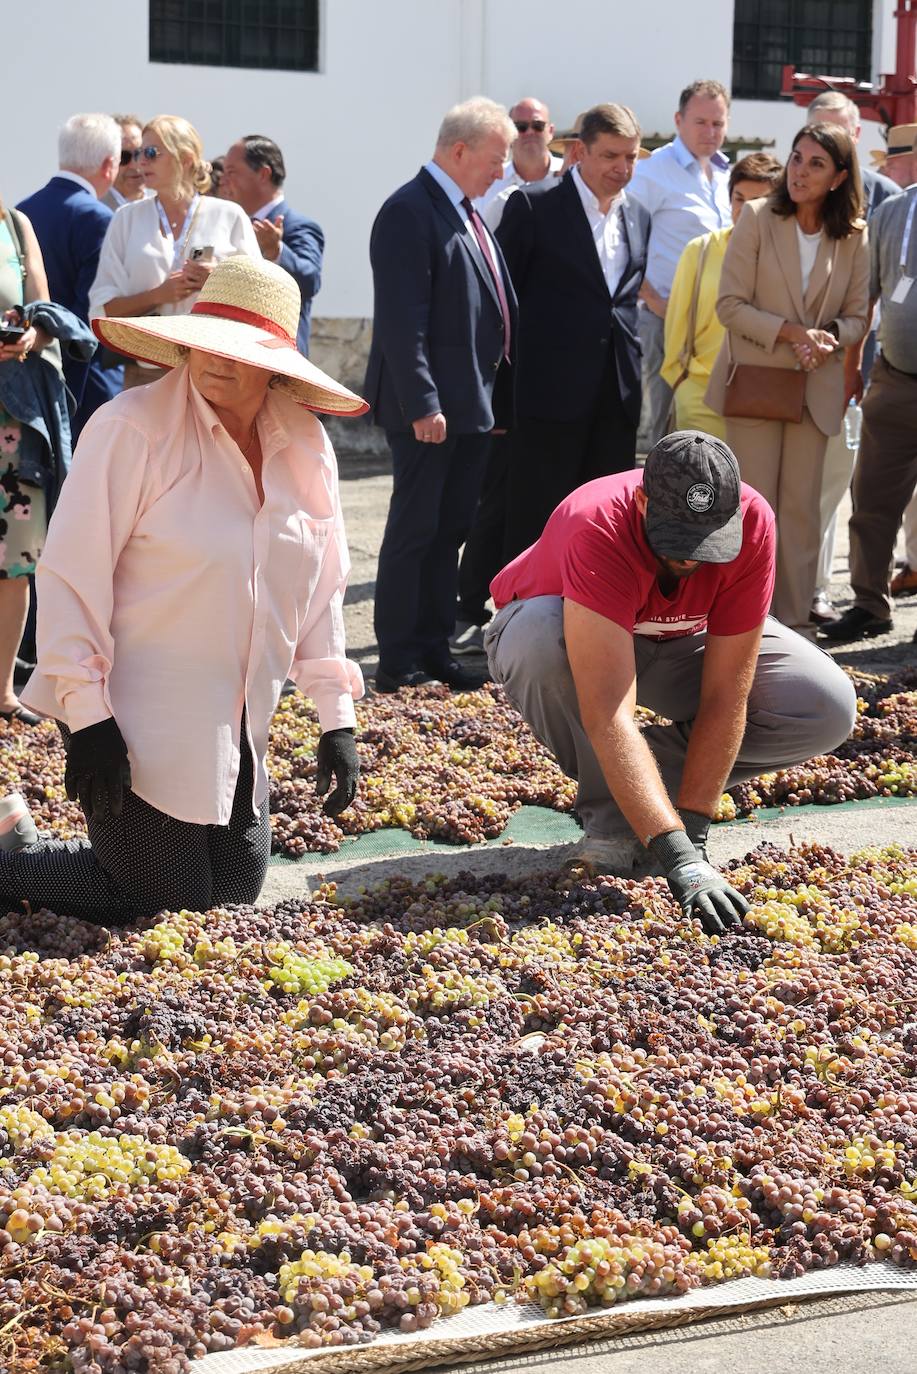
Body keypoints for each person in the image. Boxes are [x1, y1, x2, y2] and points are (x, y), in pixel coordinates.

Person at [7, 256, 366, 923]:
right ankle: (12, 863)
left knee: (231, 895)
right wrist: (88, 719)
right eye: (207, 344)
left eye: (239, 351)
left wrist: (335, 719)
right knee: (165, 897)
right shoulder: (129, 427)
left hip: (240, 728)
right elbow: (69, 577)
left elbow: (321, 587)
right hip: (133, 720)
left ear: (277, 365)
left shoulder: (307, 445)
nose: (217, 361)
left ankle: (28, 846)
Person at [484, 432, 856, 929]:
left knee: (823, 705)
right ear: (642, 501)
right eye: (677, 540)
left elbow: (727, 695)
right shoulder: (596, 521)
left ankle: (637, 795)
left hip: (682, 636)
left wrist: (694, 835)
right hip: (567, 633)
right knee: (536, 639)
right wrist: (674, 855)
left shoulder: (754, 521)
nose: (691, 559)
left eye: (707, 543)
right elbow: (610, 712)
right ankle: (613, 820)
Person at [366, 97, 517, 693]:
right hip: (429, 411)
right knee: (415, 529)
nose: (501, 171)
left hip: (468, 410)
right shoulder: (410, 210)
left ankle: (432, 647)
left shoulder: (463, 210)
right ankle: (399, 656)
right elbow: (405, 322)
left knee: (449, 530)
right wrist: (424, 403)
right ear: (460, 150)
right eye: (495, 158)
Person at [706, 123, 869, 638]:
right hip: (755, 383)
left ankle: (795, 626)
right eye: (797, 158)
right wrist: (793, 333)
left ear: (840, 176)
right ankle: (743, 624)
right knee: (754, 510)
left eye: (815, 163)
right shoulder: (756, 217)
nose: (799, 171)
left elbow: (858, 316)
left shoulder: (853, 235)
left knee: (800, 514)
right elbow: (729, 306)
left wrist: (828, 338)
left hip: (815, 388)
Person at [496, 102, 650, 563]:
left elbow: (620, 302)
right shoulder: (534, 207)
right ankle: (521, 622)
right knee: (536, 518)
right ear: (580, 152)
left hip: (616, 397)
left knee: (606, 520)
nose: (622, 169)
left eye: (631, 157)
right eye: (611, 156)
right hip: (547, 397)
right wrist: (503, 398)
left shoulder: (639, 216)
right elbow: (504, 304)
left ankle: (593, 618)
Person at [804, 92, 900, 627]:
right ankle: (808, 590)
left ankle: (819, 589)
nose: (824, 142)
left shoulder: (884, 198)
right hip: (801, 364)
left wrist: (857, 368)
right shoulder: (788, 200)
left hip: (859, 372)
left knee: (838, 487)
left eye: (836, 133)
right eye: (815, 133)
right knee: (810, 489)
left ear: (855, 138)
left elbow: (872, 298)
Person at [0, 198, 95, 731]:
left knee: (17, 557)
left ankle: (3, 690)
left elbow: (42, 306)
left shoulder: (15, 225)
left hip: (14, 422)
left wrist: (33, 333)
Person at [89, 115, 258, 390]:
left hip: (215, 372)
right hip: (145, 373)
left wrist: (216, 278)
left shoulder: (229, 216)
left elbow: (257, 296)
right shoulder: (126, 218)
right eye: (139, 152)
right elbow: (102, 310)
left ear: (186, 158)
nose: (141, 161)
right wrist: (158, 295)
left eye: (151, 153)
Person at [821, 157, 917, 642]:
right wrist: (852, 368)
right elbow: (866, 299)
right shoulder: (894, 213)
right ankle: (869, 605)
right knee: (873, 499)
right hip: (895, 379)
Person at [628, 79, 732, 450]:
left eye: (718, 123)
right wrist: (655, 302)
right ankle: (656, 504)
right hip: (665, 320)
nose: (710, 132)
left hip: (717, 330)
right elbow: (625, 242)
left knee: (704, 430)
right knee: (663, 426)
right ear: (678, 120)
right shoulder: (652, 172)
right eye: (701, 122)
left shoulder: (725, 176)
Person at [662, 152, 783, 437]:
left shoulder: (787, 257)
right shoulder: (700, 249)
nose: (745, 209)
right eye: (739, 198)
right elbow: (676, 327)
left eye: (758, 201)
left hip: (765, 399)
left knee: (752, 483)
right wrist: (682, 385)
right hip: (700, 396)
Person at [17, 113, 121, 441]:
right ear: (109, 165)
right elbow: (91, 311)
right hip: (82, 383)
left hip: (23, 368)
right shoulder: (100, 218)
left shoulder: (22, 210)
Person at [220, 134, 324, 355]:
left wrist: (276, 251)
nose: (223, 180)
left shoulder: (298, 226)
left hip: (277, 358)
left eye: (231, 172)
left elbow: (310, 281)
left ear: (263, 174)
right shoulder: (227, 224)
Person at [475, 96, 562, 232]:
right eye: (520, 127)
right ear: (508, 133)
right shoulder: (489, 180)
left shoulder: (569, 174)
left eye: (537, 126)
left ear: (550, 131)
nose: (529, 132)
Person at [102, 115, 149, 211]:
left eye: (140, 154)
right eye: (123, 157)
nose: (135, 165)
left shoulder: (167, 209)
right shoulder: (95, 213)